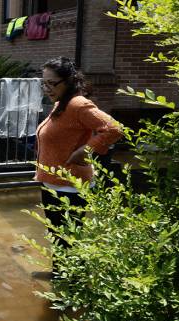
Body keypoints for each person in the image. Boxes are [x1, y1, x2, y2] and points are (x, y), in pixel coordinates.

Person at [35, 57, 123, 247]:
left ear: (68, 82)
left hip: (70, 184)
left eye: (52, 83)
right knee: (57, 236)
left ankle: (68, 277)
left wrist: (86, 150)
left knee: (67, 239)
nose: (47, 88)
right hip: (53, 181)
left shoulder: (78, 105)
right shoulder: (61, 104)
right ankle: (59, 273)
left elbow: (113, 128)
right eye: (44, 83)